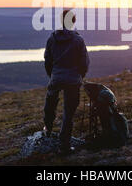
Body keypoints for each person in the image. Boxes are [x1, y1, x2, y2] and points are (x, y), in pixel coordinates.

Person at [43, 9, 90, 154]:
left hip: (56, 77)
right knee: (68, 113)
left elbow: (47, 60)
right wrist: (79, 76)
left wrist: (53, 75)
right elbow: (84, 63)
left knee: (50, 105)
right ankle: (64, 145)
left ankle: (48, 130)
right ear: (74, 21)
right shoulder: (78, 40)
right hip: (73, 80)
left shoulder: (52, 38)